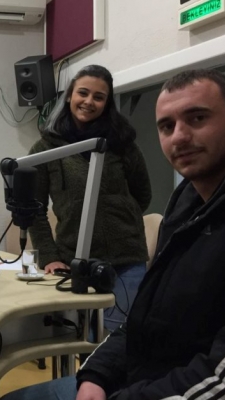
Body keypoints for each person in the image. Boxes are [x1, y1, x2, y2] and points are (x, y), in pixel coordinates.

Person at [2, 69, 225, 400]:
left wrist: (121, 216)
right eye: (166, 126)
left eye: (198, 118)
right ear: (69, 96)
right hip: (81, 265)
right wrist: (96, 377)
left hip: (131, 268)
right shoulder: (185, 203)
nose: (179, 137)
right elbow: (141, 322)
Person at [28, 65, 152, 331]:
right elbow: (34, 209)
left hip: (127, 259)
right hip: (74, 261)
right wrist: (49, 257)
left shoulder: (123, 144)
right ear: (70, 96)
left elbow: (142, 195)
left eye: (99, 97)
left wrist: (118, 215)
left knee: (118, 336)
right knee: (79, 336)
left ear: (107, 103)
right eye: (83, 93)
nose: (89, 101)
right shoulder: (45, 148)